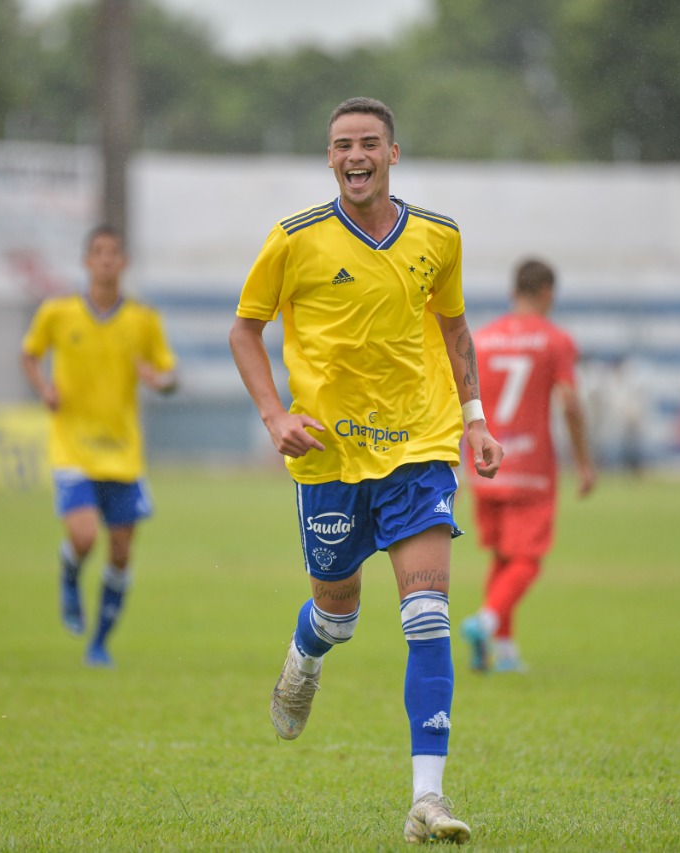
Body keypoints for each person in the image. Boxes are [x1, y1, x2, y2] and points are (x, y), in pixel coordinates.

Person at [229, 97, 502, 845]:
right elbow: (244, 331)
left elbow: (454, 330)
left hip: (419, 446)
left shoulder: (439, 237)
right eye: (343, 144)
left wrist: (474, 417)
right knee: (339, 614)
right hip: (328, 455)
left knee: (427, 614)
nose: (356, 155)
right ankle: (305, 653)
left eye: (369, 143)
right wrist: (274, 416)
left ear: (393, 153)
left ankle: (427, 797)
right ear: (330, 157)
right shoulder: (294, 240)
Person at [20, 224, 177, 668]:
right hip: (73, 447)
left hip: (123, 453)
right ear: (86, 261)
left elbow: (170, 375)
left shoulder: (143, 320)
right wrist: (43, 388)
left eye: (114, 253)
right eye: (98, 252)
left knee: (122, 552)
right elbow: (29, 354)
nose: (106, 260)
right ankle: (69, 573)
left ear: (123, 263)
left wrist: (159, 381)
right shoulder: (58, 312)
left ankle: (99, 643)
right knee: (85, 535)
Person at [461, 258, 595, 674]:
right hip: (532, 465)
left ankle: (502, 652)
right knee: (528, 559)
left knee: (503, 557)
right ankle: (485, 622)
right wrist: (584, 461)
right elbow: (570, 402)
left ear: (512, 292)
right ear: (547, 293)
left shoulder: (481, 339)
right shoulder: (555, 341)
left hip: (485, 462)